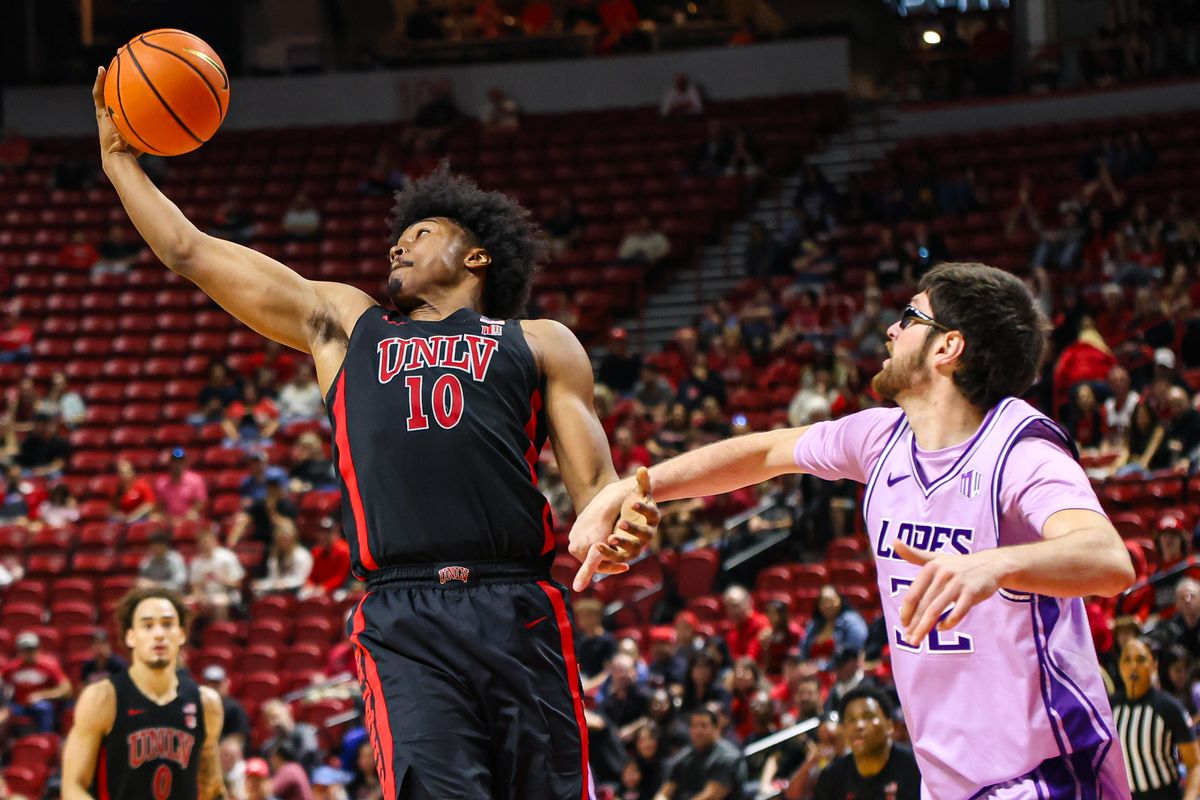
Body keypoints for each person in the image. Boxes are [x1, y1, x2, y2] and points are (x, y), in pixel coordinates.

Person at [94, 68, 658, 799]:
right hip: (404, 610)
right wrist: (117, 159)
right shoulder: (347, 327)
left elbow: (596, 494)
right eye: (396, 237)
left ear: (477, 256)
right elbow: (190, 251)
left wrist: (616, 527)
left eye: (420, 233)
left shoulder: (543, 342)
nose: (398, 246)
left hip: (515, 601)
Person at [575, 262, 1136, 796]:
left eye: (910, 317)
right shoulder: (879, 439)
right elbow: (768, 451)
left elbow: (1108, 560)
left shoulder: (1021, 451)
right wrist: (634, 487)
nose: (891, 329)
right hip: (951, 781)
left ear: (948, 346)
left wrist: (994, 562)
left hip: (1046, 773)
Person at [61, 587, 225, 799]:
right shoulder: (102, 698)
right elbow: (73, 786)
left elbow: (212, 788)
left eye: (167, 625)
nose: (158, 634)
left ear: (181, 635)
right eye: (147, 626)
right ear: (131, 637)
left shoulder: (206, 703)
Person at [1112, 638, 1200, 800]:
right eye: (1127, 660)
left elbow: (1195, 764)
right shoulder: (1111, 707)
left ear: (1154, 666)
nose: (1133, 666)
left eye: (1140, 659)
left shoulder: (1169, 707)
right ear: (1120, 666)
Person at [813, 686, 921, 800]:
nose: (858, 726)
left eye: (868, 717)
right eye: (851, 720)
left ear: (889, 726)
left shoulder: (916, 767)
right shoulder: (832, 777)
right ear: (844, 729)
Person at [653, 706, 747, 800]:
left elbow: (711, 796)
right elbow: (666, 790)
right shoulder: (684, 757)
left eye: (703, 726)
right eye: (694, 726)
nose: (698, 731)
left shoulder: (728, 756)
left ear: (716, 729)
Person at [2, 632, 72, 733]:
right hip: (19, 705)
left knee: (44, 708)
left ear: (38, 649)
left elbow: (66, 689)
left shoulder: (49, 666)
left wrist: (43, 695)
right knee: (4, 713)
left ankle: (45, 739)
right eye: (24, 650)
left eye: (31, 649)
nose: (28, 653)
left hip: (41, 704)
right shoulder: (13, 668)